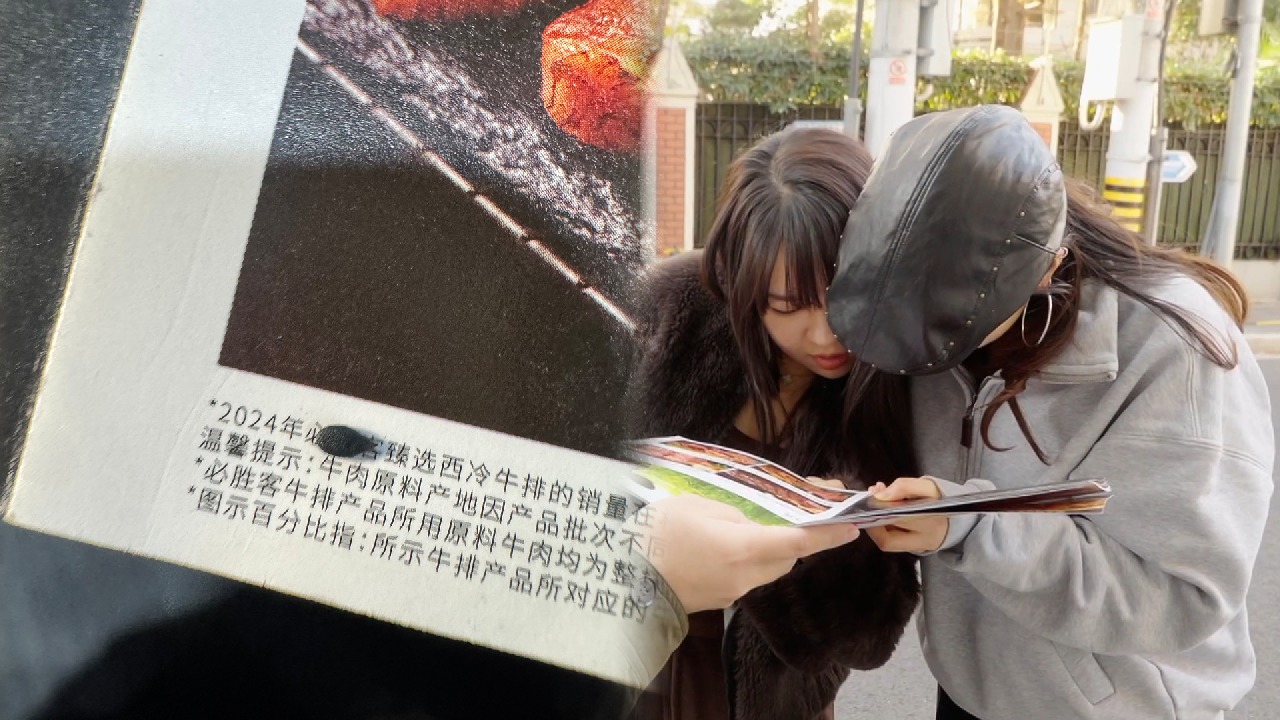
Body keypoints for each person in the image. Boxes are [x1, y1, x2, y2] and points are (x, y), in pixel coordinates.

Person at [824, 104, 1274, 720]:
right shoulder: (901, 294)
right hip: (970, 690)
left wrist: (973, 526)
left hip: (1117, 709)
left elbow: (1180, 596)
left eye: (955, 326)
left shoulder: (1174, 349)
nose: (929, 346)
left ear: (1047, 269)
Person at [623, 127, 921, 720]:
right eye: (789, 305)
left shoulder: (899, 384)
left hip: (777, 697)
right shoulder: (672, 315)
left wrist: (812, 539)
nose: (826, 334)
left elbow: (866, 638)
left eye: (845, 297)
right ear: (744, 284)